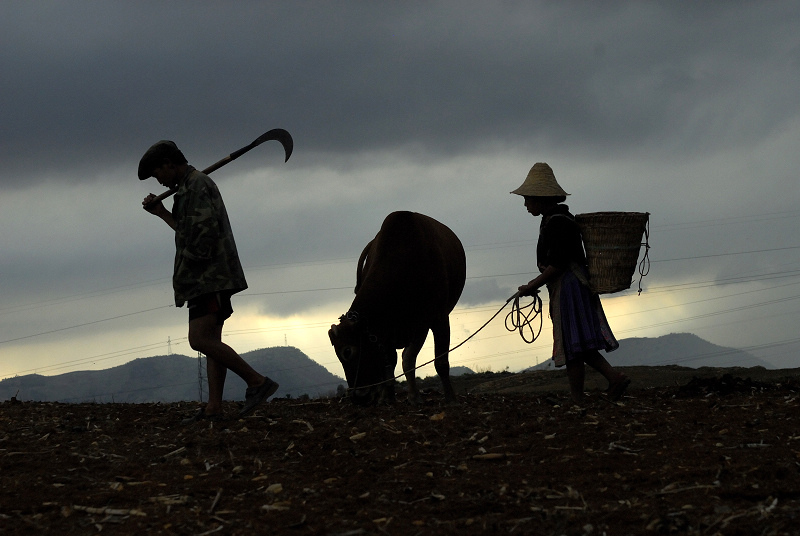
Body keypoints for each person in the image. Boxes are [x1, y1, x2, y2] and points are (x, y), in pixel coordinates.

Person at [138, 140, 278, 421]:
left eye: (157, 174)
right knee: (213, 341)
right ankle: (214, 407)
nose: (159, 181)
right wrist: (162, 213)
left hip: (208, 278)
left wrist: (188, 269)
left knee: (199, 339)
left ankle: (257, 381)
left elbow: (202, 241)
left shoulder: (198, 186)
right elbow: (185, 231)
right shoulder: (187, 190)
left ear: (168, 164)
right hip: (207, 278)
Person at [511, 163, 629, 404]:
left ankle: (583, 395)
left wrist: (532, 286)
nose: (525, 204)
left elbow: (559, 264)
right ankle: (609, 380)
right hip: (568, 286)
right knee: (577, 344)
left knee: (573, 344)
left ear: (541, 198)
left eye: (528, 199)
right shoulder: (554, 220)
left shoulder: (558, 223)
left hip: (570, 286)